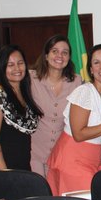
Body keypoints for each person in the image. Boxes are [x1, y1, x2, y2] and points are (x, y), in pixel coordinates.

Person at [46, 44, 101, 195]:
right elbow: (79, 134)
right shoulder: (84, 92)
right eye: (96, 63)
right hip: (72, 158)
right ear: (91, 70)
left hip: (95, 159)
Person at [29, 35, 82, 176]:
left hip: (61, 155)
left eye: (65, 52)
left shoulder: (76, 81)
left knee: (58, 196)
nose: (60, 56)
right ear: (46, 55)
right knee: (39, 195)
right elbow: (10, 84)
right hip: (35, 154)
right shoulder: (31, 78)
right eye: (55, 51)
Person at [0, 45, 42, 171]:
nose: (17, 68)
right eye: (10, 65)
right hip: (1, 170)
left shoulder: (25, 93)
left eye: (20, 63)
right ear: (1, 68)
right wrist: (4, 173)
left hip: (22, 168)